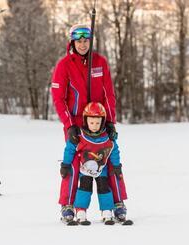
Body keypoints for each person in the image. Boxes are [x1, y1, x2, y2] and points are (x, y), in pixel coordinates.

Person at [51, 24, 128, 222]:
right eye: (79, 41)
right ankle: (67, 205)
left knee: (110, 159)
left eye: (86, 40)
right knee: (74, 163)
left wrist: (110, 122)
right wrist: (69, 125)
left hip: (99, 121)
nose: (83, 44)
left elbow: (109, 94)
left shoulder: (100, 62)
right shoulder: (64, 65)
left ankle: (118, 204)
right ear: (72, 42)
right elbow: (58, 98)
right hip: (76, 123)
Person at [62, 102, 119, 225]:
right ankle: (81, 211)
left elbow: (114, 150)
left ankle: (107, 211)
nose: (94, 126)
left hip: (101, 169)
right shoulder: (81, 136)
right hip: (85, 170)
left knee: (104, 188)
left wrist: (117, 165)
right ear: (86, 121)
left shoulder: (106, 137)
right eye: (91, 122)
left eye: (98, 123)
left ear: (102, 122)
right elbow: (70, 148)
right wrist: (65, 164)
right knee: (84, 188)